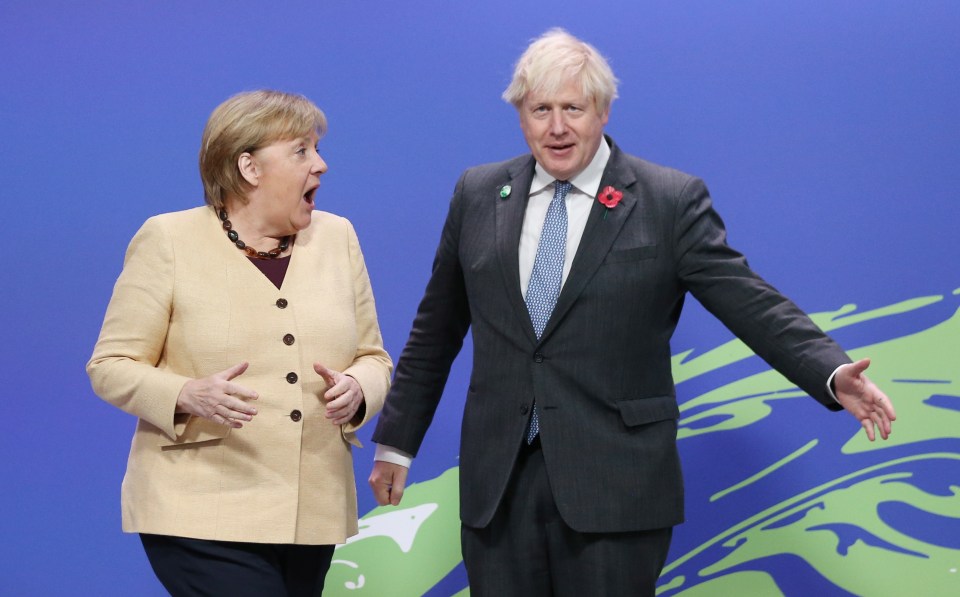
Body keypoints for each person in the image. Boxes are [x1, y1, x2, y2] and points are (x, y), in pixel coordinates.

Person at [368, 29, 896, 596]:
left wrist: (830, 371)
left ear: (604, 109)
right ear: (519, 112)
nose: (557, 127)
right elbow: (435, 330)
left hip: (617, 484)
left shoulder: (668, 199)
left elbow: (747, 299)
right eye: (540, 109)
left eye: (573, 107)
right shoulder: (477, 193)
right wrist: (396, 442)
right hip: (499, 485)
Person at [87, 90, 392, 596]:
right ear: (249, 167)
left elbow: (373, 356)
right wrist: (185, 394)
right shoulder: (168, 240)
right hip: (200, 510)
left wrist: (360, 388)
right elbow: (110, 364)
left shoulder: (338, 237)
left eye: (315, 149)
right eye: (301, 151)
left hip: (311, 509)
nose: (320, 164)